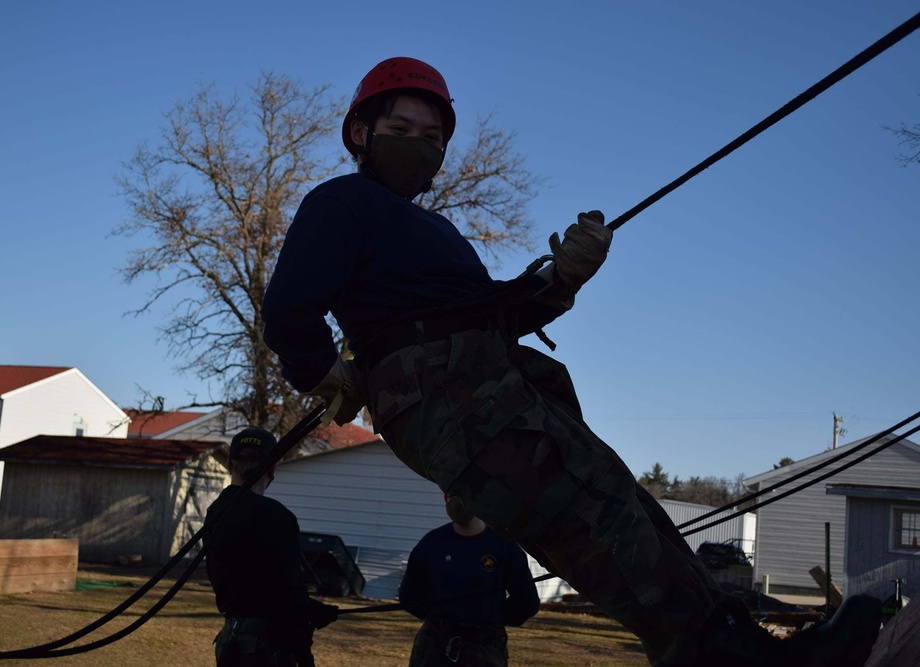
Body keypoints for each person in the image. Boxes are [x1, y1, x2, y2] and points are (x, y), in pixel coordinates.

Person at [261, 57, 882, 666]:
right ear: (360, 133)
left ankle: (738, 644)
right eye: (400, 131)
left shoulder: (440, 234)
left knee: (624, 506)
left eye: (432, 137)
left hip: (496, 389)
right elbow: (290, 306)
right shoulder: (342, 202)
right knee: (591, 525)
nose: (418, 146)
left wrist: (564, 277)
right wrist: (324, 372)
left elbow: (492, 318)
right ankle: (721, 654)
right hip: (449, 401)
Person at [203, 426, 339, 666]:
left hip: (230, 638)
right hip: (266, 645)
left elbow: (249, 582)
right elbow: (287, 591)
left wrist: (309, 607)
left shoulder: (215, 511)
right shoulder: (276, 516)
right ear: (273, 468)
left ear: (229, 464)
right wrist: (304, 654)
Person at [398, 492, 540, 666]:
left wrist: (492, 619)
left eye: (463, 493)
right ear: (445, 498)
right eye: (453, 495)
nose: (458, 501)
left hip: (485, 650)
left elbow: (527, 601)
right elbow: (409, 595)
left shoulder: (504, 546)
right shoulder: (432, 543)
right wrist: (438, 621)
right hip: (434, 648)